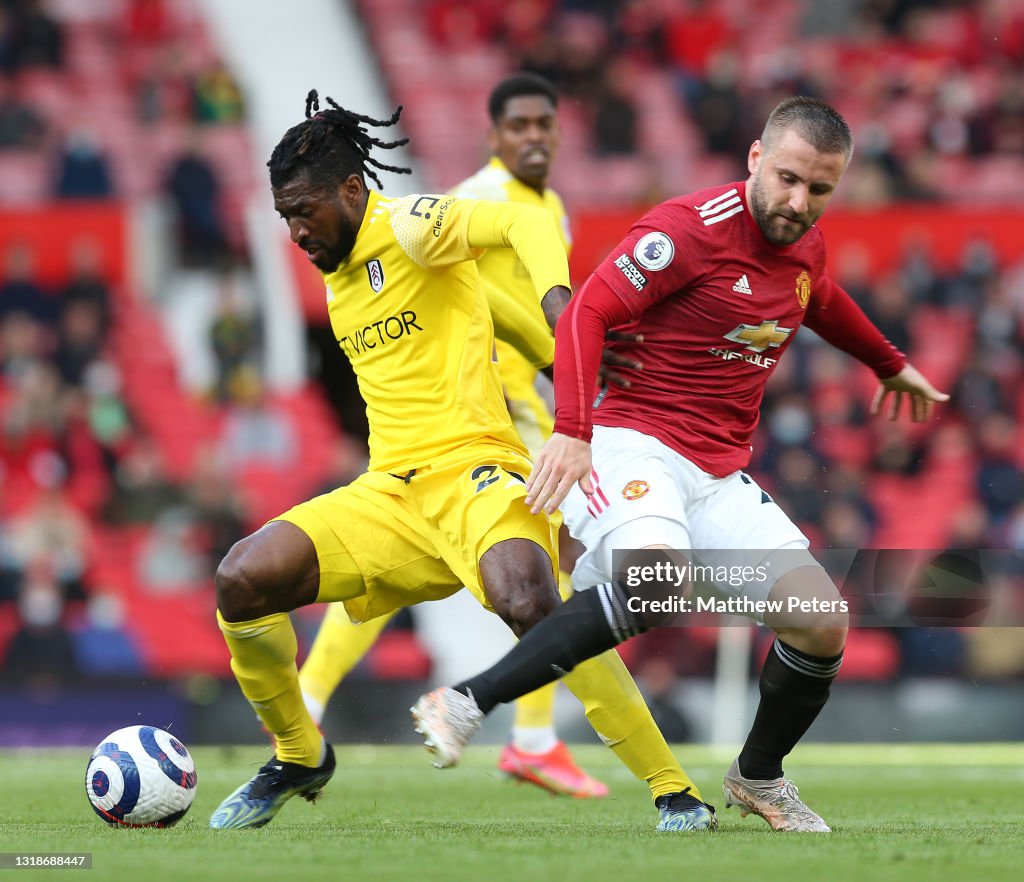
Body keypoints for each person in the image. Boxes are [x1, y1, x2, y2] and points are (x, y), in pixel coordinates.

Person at [411, 96, 950, 833]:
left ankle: (759, 777)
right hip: (631, 439)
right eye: (788, 179)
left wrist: (890, 366)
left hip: (716, 470)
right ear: (757, 159)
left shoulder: (805, 245)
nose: (798, 203)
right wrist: (572, 431)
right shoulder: (685, 232)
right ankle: (465, 700)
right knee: (656, 585)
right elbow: (585, 312)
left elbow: (818, 298)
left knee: (822, 621)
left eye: (819, 190)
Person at [208, 88, 715, 832]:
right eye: (284, 215)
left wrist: (558, 307)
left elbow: (519, 219)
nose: (294, 230)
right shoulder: (338, 267)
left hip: (478, 473)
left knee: (530, 600)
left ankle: (672, 789)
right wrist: (546, 349)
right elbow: (476, 304)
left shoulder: (409, 225)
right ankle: (298, 753)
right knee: (241, 578)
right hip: (390, 494)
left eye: (303, 210)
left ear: (352, 190)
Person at [297, 73, 610, 799]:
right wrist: (554, 351)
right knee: (528, 554)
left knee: (465, 563)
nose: (534, 137)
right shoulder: (482, 200)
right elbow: (483, 297)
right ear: (493, 137)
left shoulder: (548, 203)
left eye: (545, 125)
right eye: (519, 126)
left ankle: (529, 736)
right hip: (482, 402)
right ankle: (530, 738)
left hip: (514, 397)